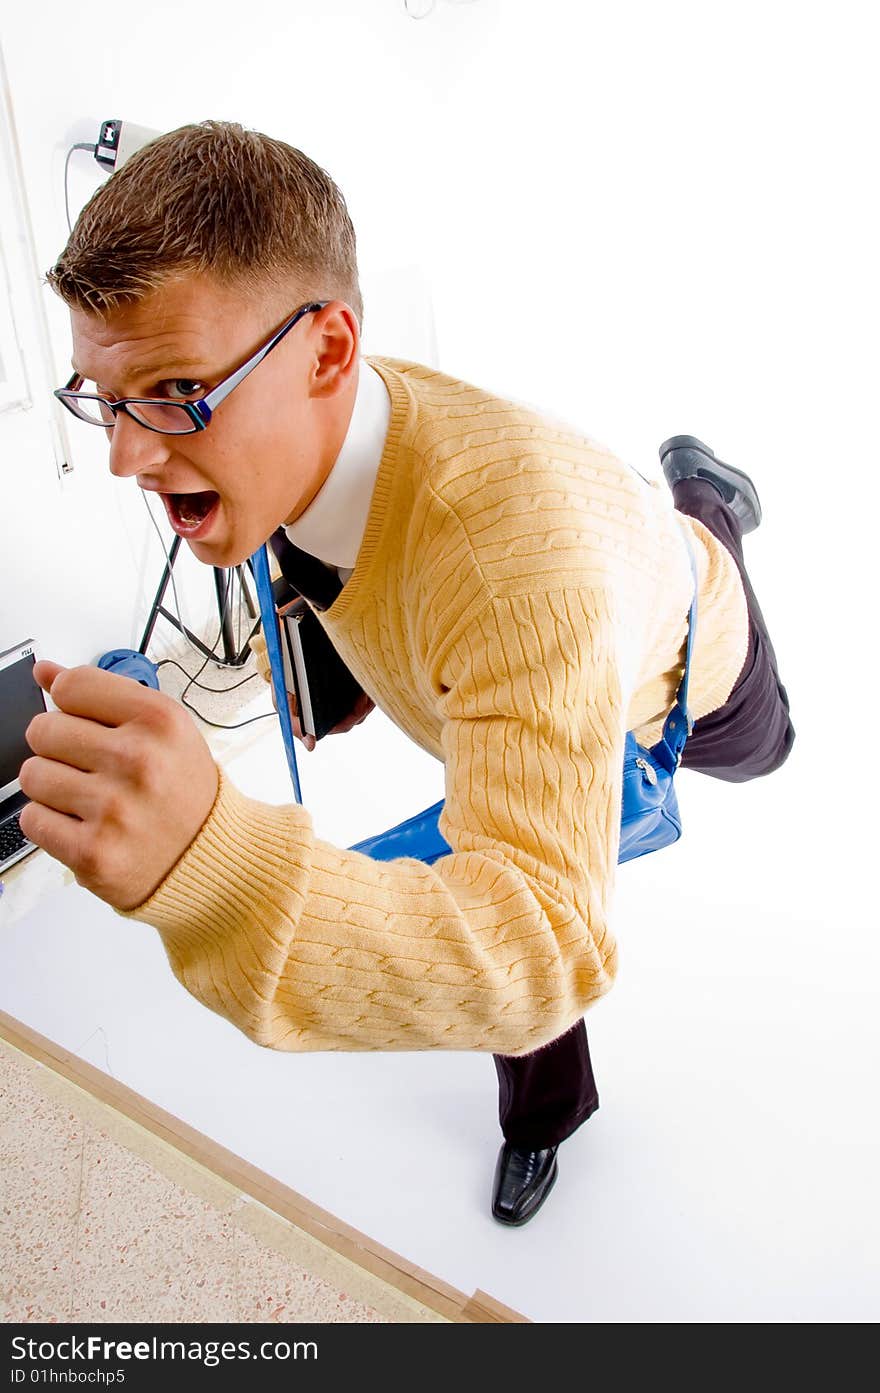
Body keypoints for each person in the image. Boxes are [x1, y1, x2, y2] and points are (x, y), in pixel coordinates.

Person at [22, 121, 794, 1228]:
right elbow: (357, 556)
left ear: (327, 352)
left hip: (676, 651)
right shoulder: (300, 428)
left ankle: (707, 502)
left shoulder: (518, 575)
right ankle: (545, 1117)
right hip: (564, 578)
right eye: (102, 397)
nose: (124, 457)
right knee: (488, 846)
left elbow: (547, 945)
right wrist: (333, 687)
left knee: (766, 751)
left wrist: (214, 858)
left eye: (174, 391)